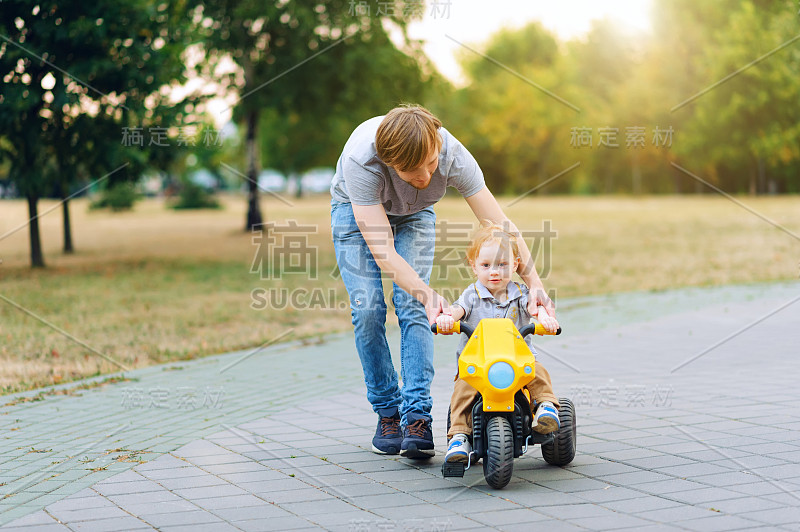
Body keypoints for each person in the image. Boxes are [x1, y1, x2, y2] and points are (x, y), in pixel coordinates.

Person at [330, 104, 557, 459]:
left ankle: (417, 417)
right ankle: (388, 413)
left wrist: (535, 283)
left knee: (413, 307)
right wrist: (426, 292)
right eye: (410, 170)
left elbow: (501, 226)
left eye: (431, 164)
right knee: (369, 309)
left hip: (416, 215)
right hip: (354, 211)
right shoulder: (362, 161)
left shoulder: (453, 154)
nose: (424, 177)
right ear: (389, 162)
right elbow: (383, 249)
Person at [435, 223, 561, 463]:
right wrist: (446, 318)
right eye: (486, 265)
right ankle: (459, 436)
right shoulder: (471, 295)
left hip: (517, 362)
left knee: (536, 370)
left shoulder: (522, 294)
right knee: (463, 389)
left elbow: (535, 310)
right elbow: (457, 311)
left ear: (515, 265)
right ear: (474, 267)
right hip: (478, 366)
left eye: (502, 265)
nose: (494, 271)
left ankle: (546, 407)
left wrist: (545, 319)